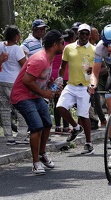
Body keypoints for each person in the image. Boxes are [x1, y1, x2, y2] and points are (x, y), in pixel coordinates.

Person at [10, 30, 66, 175]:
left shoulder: (49, 58)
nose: (63, 45)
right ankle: (35, 163)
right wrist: (44, 93)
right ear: (54, 45)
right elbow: (26, 81)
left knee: (47, 123)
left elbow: (39, 79)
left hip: (35, 96)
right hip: (22, 96)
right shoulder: (39, 59)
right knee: (37, 127)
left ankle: (42, 153)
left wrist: (50, 85)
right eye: (61, 43)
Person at [56, 23, 95, 155]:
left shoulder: (94, 50)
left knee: (83, 115)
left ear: (89, 35)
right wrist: (59, 79)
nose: (84, 36)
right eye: (82, 33)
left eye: (86, 34)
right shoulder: (69, 48)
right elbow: (63, 66)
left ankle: (89, 143)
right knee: (60, 107)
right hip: (71, 85)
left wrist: (93, 69)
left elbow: (103, 69)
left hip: (85, 86)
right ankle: (76, 127)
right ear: (77, 34)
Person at [0, 25, 28, 145]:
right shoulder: (17, 49)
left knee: (4, 109)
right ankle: (21, 135)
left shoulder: (0, 45)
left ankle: (8, 136)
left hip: (1, 80)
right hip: (14, 82)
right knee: (21, 108)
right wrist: (26, 55)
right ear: (16, 36)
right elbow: (25, 66)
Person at [51, 29, 76, 134]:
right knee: (65, 102)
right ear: (72, 38)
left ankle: (57, 126)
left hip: (53, 77)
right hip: (65, 77)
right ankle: (66, 127)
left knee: (56, 101)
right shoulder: (70, 48)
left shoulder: (56, 47)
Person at [89, 26, 107, 128]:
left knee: (95, 99)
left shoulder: (97, 49)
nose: (98, 35)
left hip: (93, 79)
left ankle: (102, 120)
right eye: (96, 33)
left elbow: (104, 68)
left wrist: (93, 71)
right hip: (82, 79)